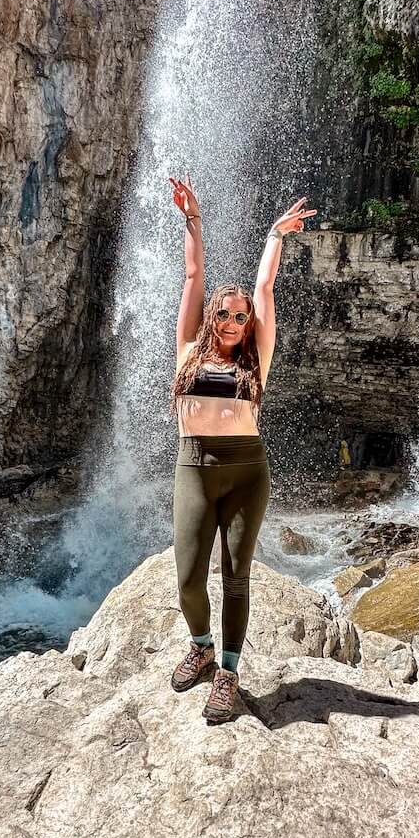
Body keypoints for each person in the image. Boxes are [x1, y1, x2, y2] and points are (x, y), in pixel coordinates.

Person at [168, 173, 316, 722]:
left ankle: (227, 672)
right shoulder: (187, 350)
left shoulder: (255, 360)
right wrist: (193, 220)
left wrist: (275, 238)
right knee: (187, 578)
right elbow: (192, 275)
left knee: (235, 577)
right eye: (224, 314)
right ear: (210, 316)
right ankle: (201, 646)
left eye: (240, 317)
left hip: (247, 472)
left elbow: (265, 291)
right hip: (194, 466)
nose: (233, 321)